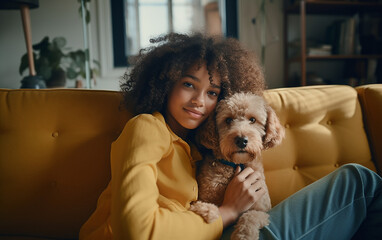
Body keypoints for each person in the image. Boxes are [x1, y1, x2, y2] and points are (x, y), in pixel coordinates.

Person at [79, 33, 382, 240]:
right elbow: (137, 230)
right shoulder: (146, 127)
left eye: (212, 92)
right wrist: (228, 211)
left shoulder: (198, 148)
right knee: (359, 181)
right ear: (164, 83)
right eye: (188, 84)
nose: (200, 100)